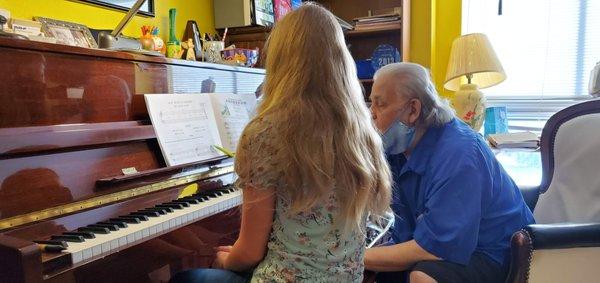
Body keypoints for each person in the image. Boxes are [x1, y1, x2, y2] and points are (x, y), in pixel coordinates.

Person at [170, 3, 392, 282]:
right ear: (340, 60)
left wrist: (226, 259)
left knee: (187, 278)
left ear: (280, 61)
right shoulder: (362, 132)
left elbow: (249, 253)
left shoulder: (266, 133)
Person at [365, 63, 535, 283]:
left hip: (498, 252)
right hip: (450, 244)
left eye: (380, 104)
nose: (371, 114)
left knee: (422, 277)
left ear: (413, 110)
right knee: (378, 273)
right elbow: (403, 230)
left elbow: (435, 248)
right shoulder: (399, 149)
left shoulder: (459, 154)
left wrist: (355, 258)